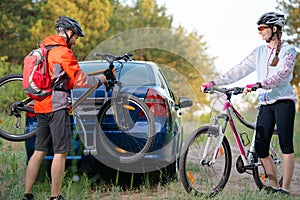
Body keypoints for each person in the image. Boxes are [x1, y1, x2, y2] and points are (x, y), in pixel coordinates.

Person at [201, 12, 297, 195]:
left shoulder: (289, 50)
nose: (259, 32)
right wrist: (215, 82)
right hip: (265, 103)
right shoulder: (259, 52)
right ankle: (274, 186)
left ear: (274, 29)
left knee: (286, 144)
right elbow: (239, 69)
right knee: (261, 148)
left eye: (262, 28)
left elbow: (283, 74)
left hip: (284, 101)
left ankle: (284, 189)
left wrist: (260, 84)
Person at [22, 16, 106, 200]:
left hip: (41, 106)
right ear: (68, 32)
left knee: (39, 151)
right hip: (57, 107)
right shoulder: (63, 53)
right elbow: (81, 80)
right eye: (75, 36)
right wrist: (100, 80)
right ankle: (55, 196)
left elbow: (58, 79)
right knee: (61, 153)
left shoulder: (45, 49)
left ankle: (27, 195)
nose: (75, 41)